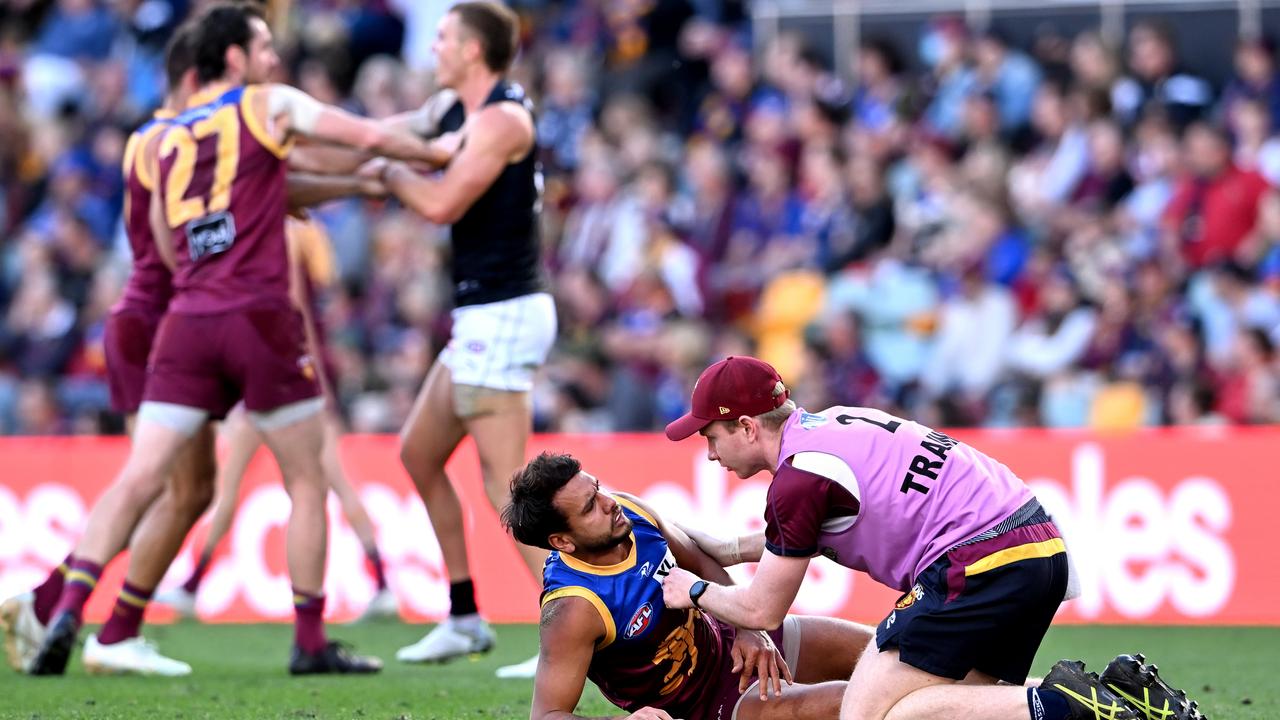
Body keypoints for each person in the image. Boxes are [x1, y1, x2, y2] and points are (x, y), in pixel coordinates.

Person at [26, 0, 451, 677]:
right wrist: (428, 147)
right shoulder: (265, 106)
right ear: (230, 58)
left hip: (178, 320)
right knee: (306, 478)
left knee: (157, 481)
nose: (274, 57)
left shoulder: (158, 139)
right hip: (252, 315)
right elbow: (358, 137)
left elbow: (172, 241)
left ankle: (70, 606)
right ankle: (309, 641)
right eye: (262, 46)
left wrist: (359, 182)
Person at [659, 356, 1205, 720]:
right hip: (1037, 546)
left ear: (749, 427)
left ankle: (1067, 704)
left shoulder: (799, 479)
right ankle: (1126, 693)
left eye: (712, 435)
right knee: (966, 705)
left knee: (870, 712)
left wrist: (694, 589)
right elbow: (821, 529)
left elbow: (760, 608)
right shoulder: (834, 424)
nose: (709, 453)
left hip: (979, 560)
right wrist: (732, 549)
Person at [1, 25, 216, 677]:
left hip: (147, 317)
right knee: (157, 482)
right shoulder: (185, 138)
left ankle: (51, 603)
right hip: (169, 320)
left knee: (185, 487)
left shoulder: (150, 139)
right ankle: (97, 622)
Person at [366, 1, 557, 675]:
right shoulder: (455, 106)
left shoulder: (503, 117)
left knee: (512, 490)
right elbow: (388, 132)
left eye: (444, 36)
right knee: (419, 453)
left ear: (473, 50)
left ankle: (569, 628)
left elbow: (441, 202)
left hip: (502, 313)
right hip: (482, 315)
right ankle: (465, 614)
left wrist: (388, 176)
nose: (435, 46)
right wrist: (309, 135)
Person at [502, 452, 874, 720]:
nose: (608, 502)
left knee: (890, 651)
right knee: (863, 701)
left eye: (597, 488)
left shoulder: (630, 512)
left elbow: (701, 562)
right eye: (589, 508)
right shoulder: (573, 608)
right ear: (562, 542)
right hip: (712, 707)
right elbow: (547, 714)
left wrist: (748, 626)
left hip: (740, 644)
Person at [156, 217, 399, 623]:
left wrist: (315, 384)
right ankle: (382, 582)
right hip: (287, 376)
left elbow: (295, 311)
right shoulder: (301, 234)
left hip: (280, 377)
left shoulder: (276, 233)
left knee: (238, 483)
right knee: (333, 482)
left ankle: (193, 584)